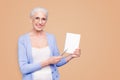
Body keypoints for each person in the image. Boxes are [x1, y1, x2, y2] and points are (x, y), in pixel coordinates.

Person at [18, 7, 81, 80]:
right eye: (37, 18)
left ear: (46, 21)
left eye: (43, 19)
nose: (40, 22)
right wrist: (47, 62)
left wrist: (72, 55)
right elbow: (24, 69)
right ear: (31, 20)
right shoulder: (23, 40)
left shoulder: (51, 37)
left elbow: (57, 62)